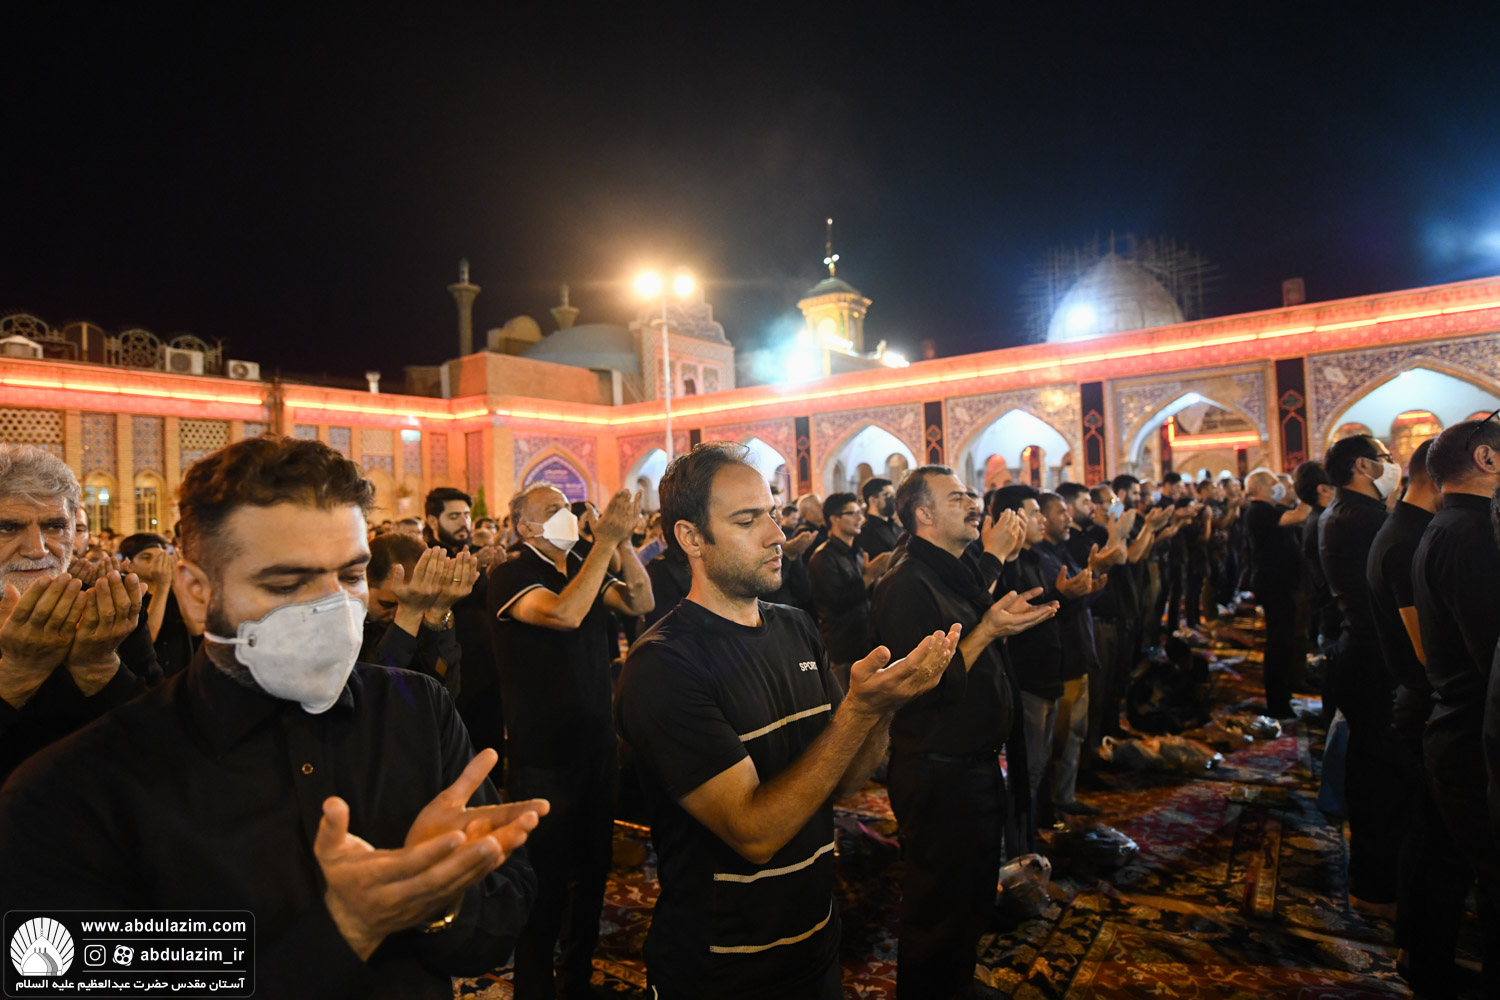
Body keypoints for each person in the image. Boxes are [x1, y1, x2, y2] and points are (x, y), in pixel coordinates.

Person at [0, 436, 544, 998]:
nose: (332, 608)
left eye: (351, 577)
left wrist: (439, 896)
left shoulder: (415, 709)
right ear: (196, 594)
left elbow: (501, 921)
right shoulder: (74, 786)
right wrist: (347, 928)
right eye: (287, 583)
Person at [617, 444, 961, 999]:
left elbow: (842, 780)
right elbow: (754, 834)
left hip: (816, 940)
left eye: (773, 514)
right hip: (723, 966)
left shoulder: (795, 627)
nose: (776, 534)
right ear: (691, 538)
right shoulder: (664, 665)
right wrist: (859, 710)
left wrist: (881, 709)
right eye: (747, 520)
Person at [870, 466, 1056, 998]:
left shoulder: (948, 571)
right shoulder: (906, 584)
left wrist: (994, 612)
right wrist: (989, 629)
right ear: (924, 514)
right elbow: (920, 685)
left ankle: (953, 986)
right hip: (937, 772)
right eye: (957, 498)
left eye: (971, 494)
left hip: (970, 767)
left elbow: (973, 604)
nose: (974, 504)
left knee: (970, 897)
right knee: (938, 907)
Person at [488, 484, 653, 1000]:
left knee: (593, 872)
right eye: (552, 509)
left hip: (596, 744)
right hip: (544, 754)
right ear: (525, 527)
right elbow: (563, 613)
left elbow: (641, 600)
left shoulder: (583, 562)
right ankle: (535, 988)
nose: (566, 515)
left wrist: (621, 543)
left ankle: (576, 981)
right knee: (545, 882)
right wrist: (603, 545)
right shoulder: (512, 573)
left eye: (567, 506)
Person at [1368, 439, 1470, 996]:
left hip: (1422, 698)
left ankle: (1418, 946)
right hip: (1424, 701)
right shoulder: (1408, 537)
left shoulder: (1411, 528)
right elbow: (1426, 648)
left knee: (1430, 833)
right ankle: (1425, 958)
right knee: (1435, 839)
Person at [0, 444, 148, 784]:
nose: (37, 549)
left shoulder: (107, 610)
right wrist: (17, 675)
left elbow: (160, 748)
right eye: (8, 528)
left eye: (55, 526)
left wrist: (99, 667)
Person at [1419, 414, 1500, 990]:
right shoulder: (1469, 533)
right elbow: (1489, 649)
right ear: (1486, 459)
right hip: (1474, 734)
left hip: (1459, 725)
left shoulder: (1450, 524)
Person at [1318, 434, 1409, 915]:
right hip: (1373, 656)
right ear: (1362, 465)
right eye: (1386, 459)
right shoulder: (1365, 518)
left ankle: (1372, 879)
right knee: (1379, 775)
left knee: (1372, 769)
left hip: (1360, 650)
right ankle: (1375, 885)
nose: (1393, 465)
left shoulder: (1345, 511)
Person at [1033, 489, 1112, 815]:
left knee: (1074, 733)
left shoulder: (1060, 551)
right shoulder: (1039, 558)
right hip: (1060, 661)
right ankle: (1048, 806)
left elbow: (1080, 599)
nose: (1068, 519)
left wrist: (1094, 581)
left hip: (1078, 654)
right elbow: (1056, 606)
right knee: (1055, 740)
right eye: (1061, 513)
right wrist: (1074, 591)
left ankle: (1064, 797)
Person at [425, 487, 505, 788]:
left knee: (490, 746)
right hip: (451, 671)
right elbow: (439, 600)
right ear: (433, 521)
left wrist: (496, 572)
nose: (464, 522)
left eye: (467, 515)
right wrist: (469, 566)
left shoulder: (475, 553)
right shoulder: (427, 556)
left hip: (487, 665)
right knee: (456, 754)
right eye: (454, 516)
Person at [362, 532, 479, 699]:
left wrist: (439, 610)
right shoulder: (348, 627)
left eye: (417, 600)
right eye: (387, 604)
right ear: (363, 584)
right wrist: (409, 613)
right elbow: (375, 693)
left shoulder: (423, 613)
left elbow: (444, 692)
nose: (396, 615)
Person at [1243, 469, 1310, 718]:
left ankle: (1284, 694)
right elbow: (1300, 515)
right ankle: (1277, 703)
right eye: (1274, 483)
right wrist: (1308, 489)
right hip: (1273, 584)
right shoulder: (1258, 511)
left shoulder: (1270, 509)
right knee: (1278, 644)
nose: (1279, 487)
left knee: (1284, 640)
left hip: (1280, 583)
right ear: (1260, 487)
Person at [807, 492, 892, 688]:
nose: (860, 518)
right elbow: (837, 602)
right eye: (852, 513)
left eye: (860, 512)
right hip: (842, 647)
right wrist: (869, 576)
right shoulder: (823, 557)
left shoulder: (857, 552)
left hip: (865, 641)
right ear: (834, 519)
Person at [857, 476, 901, 558]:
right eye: (887, 495)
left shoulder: (897, 528)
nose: (893, 499)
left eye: (893, 495)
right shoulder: (865, 532)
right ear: (872, 500)